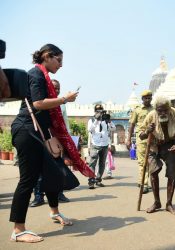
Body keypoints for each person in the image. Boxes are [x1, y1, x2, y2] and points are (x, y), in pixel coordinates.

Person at [9, 44, 94, 243]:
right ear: (47, 56)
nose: (61, 65)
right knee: (28, 180)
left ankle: (54, 212)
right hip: (28, 131)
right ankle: (18, 229)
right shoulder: (36, 75)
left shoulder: (43, 75)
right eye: (59, 60)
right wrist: (63, 99)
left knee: (53, 173)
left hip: (40, 132)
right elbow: (38, 103)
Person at [139, 95, 175, 214]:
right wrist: (147, 131)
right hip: (154, 145)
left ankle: (169, 203)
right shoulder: (151, 116)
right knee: (153, 172)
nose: (162, 113)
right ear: (156, 109)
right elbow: (141, 136)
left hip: (172, 144)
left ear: (169, 108)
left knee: (172, 173)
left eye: (165, 110)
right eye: (159, 110)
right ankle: (157, 202)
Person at [29, 79, 70, 207]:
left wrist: (66, 140)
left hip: (55, 141)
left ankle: (59, 194)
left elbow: (65, 123)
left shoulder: (61, 104)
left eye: (58, 88)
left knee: (59, 168)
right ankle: (38, 196)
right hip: (40, 139)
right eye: (54, 87)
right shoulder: (40, 102)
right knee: (39, 169)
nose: (56, 90)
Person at [126, 90, 154, 194]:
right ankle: (144, 184)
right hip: (141, 138)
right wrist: (128, 139)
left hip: (153, 139)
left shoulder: (154, 109)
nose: (148, 99)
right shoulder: (137, 110)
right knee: (142, 162)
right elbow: (132, 125)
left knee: (151, 161)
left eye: (149, 97)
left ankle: (142, 181)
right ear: (142, 99)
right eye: (146, 98)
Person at [87, 104, 116, 189]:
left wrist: (109, 121)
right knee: (92, 164)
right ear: (95, 111)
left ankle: (98, 179)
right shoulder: (91, 120)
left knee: (102, 164)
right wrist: (96, 119)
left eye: (101, 110)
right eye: (97, 110)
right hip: (95, 144)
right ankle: (91, 181)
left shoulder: (105, 120)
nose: (99, 112)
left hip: (104, 145)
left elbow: (113, 129)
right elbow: (90, 129)